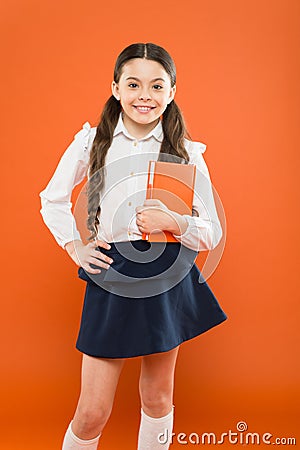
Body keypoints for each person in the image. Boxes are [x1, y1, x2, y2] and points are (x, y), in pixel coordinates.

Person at [39, 42, 228, 450]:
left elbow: (211, 230)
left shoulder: (186, 152)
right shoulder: (92, 143)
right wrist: (75, 246)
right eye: (134, 84)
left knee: (158, 397)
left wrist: (174, 221)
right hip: (112, 275)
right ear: (116, 87)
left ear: (172, 92)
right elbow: (51, 199)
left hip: (166, 276)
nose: (145, 95)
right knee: (92, 411)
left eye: (157, 86)